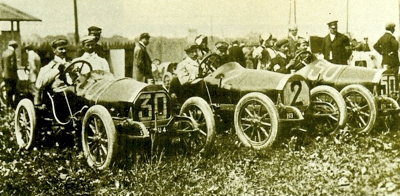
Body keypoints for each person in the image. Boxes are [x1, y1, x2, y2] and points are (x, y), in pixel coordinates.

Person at [1, 40, 19, 107]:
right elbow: (12, 65)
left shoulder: (4, 53)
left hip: (5, 75)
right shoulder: (12, 53)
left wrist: (4, 72)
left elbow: (2, 64)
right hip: (12, 76)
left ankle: (7, 106)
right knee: (14, 91)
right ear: (14, 47)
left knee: (8, 91)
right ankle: (13, 106)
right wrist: (16, 76)